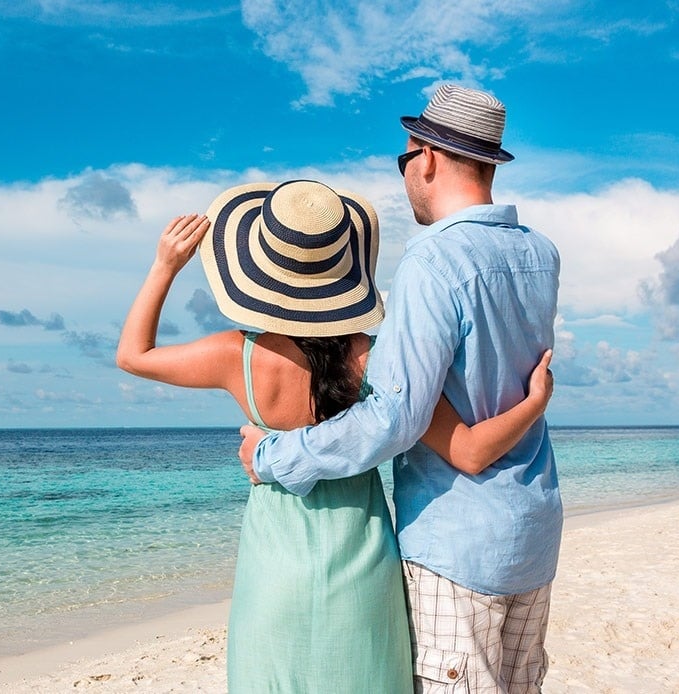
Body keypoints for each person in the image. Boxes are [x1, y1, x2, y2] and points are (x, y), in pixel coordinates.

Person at [116, 178, 553, 693]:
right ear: (342, 269)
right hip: (363, 561)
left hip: (273, 570)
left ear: (259, 268)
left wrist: (165, 266)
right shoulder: (370, 356)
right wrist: (535, 402)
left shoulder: (236, 355)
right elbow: (468, 448)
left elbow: (133, 355)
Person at [239, 86, 563, 693]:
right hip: (533, 529)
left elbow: (395, 418)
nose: (405, 174)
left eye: (404, 159)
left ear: (428, 156)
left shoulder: (433, 260)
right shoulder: (540, 255)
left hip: (458, 542)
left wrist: (273, 455)